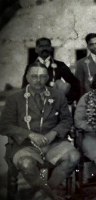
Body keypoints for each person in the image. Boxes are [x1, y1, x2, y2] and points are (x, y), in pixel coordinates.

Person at [1, 62, 80, 200]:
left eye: (43, 76)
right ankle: (51, 195)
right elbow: (5, 125)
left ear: (48, 78)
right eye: (34, 76)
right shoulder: (14, 99)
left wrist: (53, 133)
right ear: (27, 77)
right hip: (25, 144)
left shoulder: (58, 96)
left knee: (74, 157)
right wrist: (29, 134)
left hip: (54, 142)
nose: (38, 80)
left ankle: (43, 193)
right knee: (26, 164)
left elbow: (66, 120)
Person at [21, 37, 80, 104]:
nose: (44, 48)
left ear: (51, 48)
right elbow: (24, 87)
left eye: (47, 46)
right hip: (36, 104)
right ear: (36, 50)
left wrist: (68, 98)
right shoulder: (30, 67)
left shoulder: (60, 65)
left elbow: (75, 83)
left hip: (55, 104)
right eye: (41, 46)